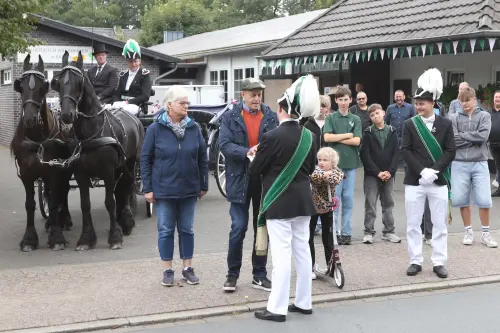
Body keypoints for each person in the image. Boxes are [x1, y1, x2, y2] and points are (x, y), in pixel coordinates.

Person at [251, 74, 318, 322]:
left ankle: (277, 308)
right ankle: (303, 302)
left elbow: (255, 170)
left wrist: (253, 157)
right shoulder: (311, 136)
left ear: (281, 109)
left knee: (281, 257)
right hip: (302, 201)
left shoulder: (271, 137)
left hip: (278, 203)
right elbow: (310, 168)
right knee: (302, 252)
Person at [140, 86, 209, 287]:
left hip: (189, 188)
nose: (186, 106)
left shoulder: (194, 128)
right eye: (182, 102)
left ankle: (187, 268)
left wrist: (203, 184)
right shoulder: (155, 129)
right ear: (169, 105)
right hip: (164, 189)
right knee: (165, 230)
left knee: (187, 229)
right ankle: (167, 270)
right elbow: (145, 159)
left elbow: (202, 158)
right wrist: (148, 188)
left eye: (187, 102)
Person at [219, 77, 278, 292]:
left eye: (259, 93)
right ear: (242, 94)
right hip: (239, 179)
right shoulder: (230, 117)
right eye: (252, 94)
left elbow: (276, 143)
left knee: (261, 229)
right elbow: (224, 145)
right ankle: (232, 275)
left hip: (263, 180)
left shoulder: (270, 116)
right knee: (238, 228)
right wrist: (247, 151)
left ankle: (259, 275)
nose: (256, 98)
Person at [401, 68, 455, 279]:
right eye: (416, 103)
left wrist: (435, 171)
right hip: (415, 180)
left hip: (438, 180)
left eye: (422, 103)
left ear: (433, 103)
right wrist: (422, 170)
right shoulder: (409, 124)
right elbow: (404, 150)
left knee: (440, 224)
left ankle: (439, 262)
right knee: (413, 223)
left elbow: (451, 150)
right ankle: (415, 260)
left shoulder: (446, 124)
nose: (418, 106)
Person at [450, 86, 498, 248]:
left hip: (480, 162)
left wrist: (464, 137)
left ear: (474, 99)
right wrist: (473, 138)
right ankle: (468, 231)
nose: (465, 104)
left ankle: (486, 233)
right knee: (461, 199)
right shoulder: (454, 118)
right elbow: (453, 140)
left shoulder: (484, 116)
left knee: (484, 199)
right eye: (461, 101)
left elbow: (483, 136)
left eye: (467, 100)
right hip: (459, 163)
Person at [323, 86, 362, 245]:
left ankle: (346, 233)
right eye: (340, 100)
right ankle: (334, 233)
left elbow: (357, 141)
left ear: (350, 100)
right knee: (335, 199)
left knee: (348, 199)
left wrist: (336, 138)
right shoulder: (331, 118)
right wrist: (347, 135)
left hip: (351, 164)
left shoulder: (356, 119)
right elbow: (327, 138)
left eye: (346, 99)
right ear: (336, 101)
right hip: (335, 165)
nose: (343, 103)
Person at [360, 104, 401, 244]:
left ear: (383, 113)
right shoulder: (368, 132)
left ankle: (389, 231)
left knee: (388, 203)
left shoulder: (392, 131)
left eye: (377, 113)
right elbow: (365, 156)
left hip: (389, 174)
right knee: (370, 203)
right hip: (372, 175)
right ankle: (368, 231)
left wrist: (390, 171)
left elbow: (396, 153)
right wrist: (377, 172)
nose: (375, 116)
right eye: (372, 115)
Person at [309, 147, 343, 279]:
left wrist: (327, 175)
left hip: (328, 207)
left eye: (325, 160)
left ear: (333, 162)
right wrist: (324, 174)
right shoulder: (316, 170)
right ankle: (309, 265)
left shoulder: (336, 171)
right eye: (319, 160)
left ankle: (331, 265)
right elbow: (313, 177)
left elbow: (336, 178)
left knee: (328, 237)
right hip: (313, 206)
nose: (321, 163)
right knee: (308, 236)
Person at [114, 39, 152, 116]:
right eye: (131, 62)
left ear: (140, 61)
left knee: (122, 112)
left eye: (136, 61)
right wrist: (115, 102)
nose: (134, 64)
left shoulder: (144, 75)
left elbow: (145, 96)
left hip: (137, 106)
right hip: (122, 105)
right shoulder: (123, 75)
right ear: (127, 62)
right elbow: (117, 93)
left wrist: (127, 102)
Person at [488, 91, 500, 195]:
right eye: (496, 97)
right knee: (498, 166)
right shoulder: (488, 114)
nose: (498, 99)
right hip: (493, 144)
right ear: (493, 99)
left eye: (499, 97)